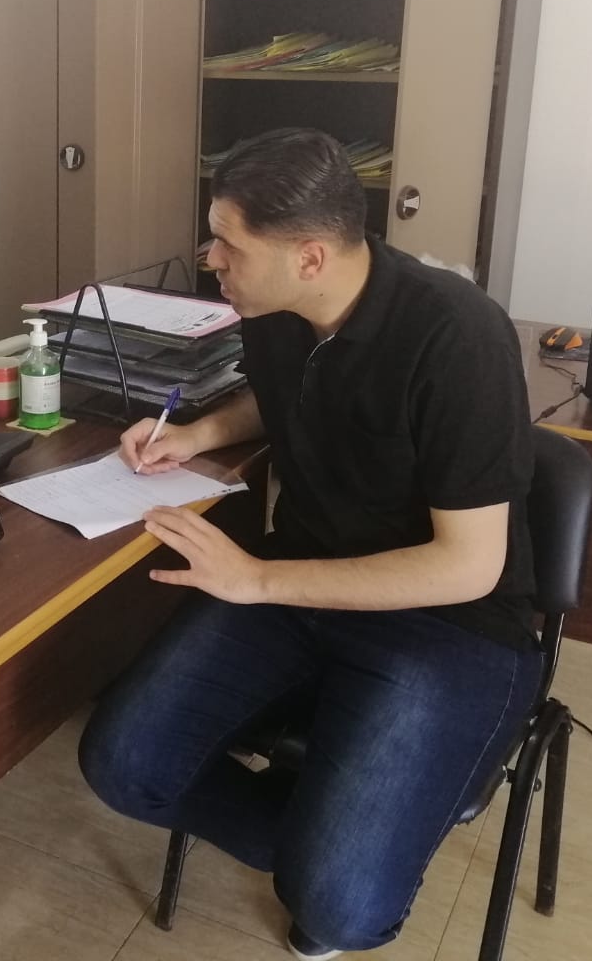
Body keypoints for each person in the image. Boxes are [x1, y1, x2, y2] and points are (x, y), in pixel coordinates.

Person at [77, 128, 540, 959]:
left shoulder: (457, 337)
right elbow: (284, 394)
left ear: (311, 258)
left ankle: (336, 867)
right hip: (295, 583)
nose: (209, 258)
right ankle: (325, 842)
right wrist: (197, 433)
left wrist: (255, 580)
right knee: (122, 765)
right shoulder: (276, 309)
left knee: (342, 917)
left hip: (445, 623)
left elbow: (469, 565)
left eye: (228, 243)